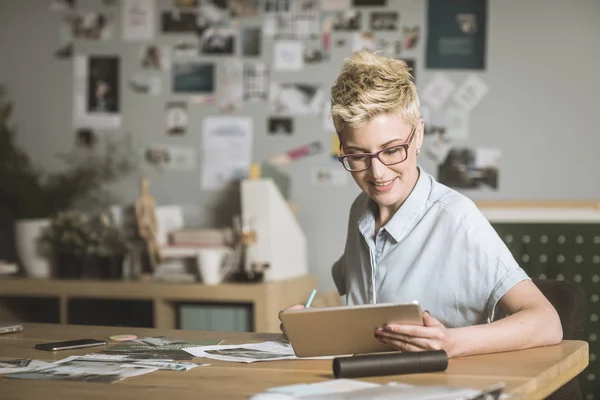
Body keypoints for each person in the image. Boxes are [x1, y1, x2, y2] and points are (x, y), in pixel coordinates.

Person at [279, 50, 562, 358]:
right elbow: (363, 315)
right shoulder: (360, 210)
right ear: (342, 146)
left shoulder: (456, 218)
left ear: (419, 136)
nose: (378, 172)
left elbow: (547, 323)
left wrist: (451, 343)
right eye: (358, 156)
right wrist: (308, 323)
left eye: (392, 150)